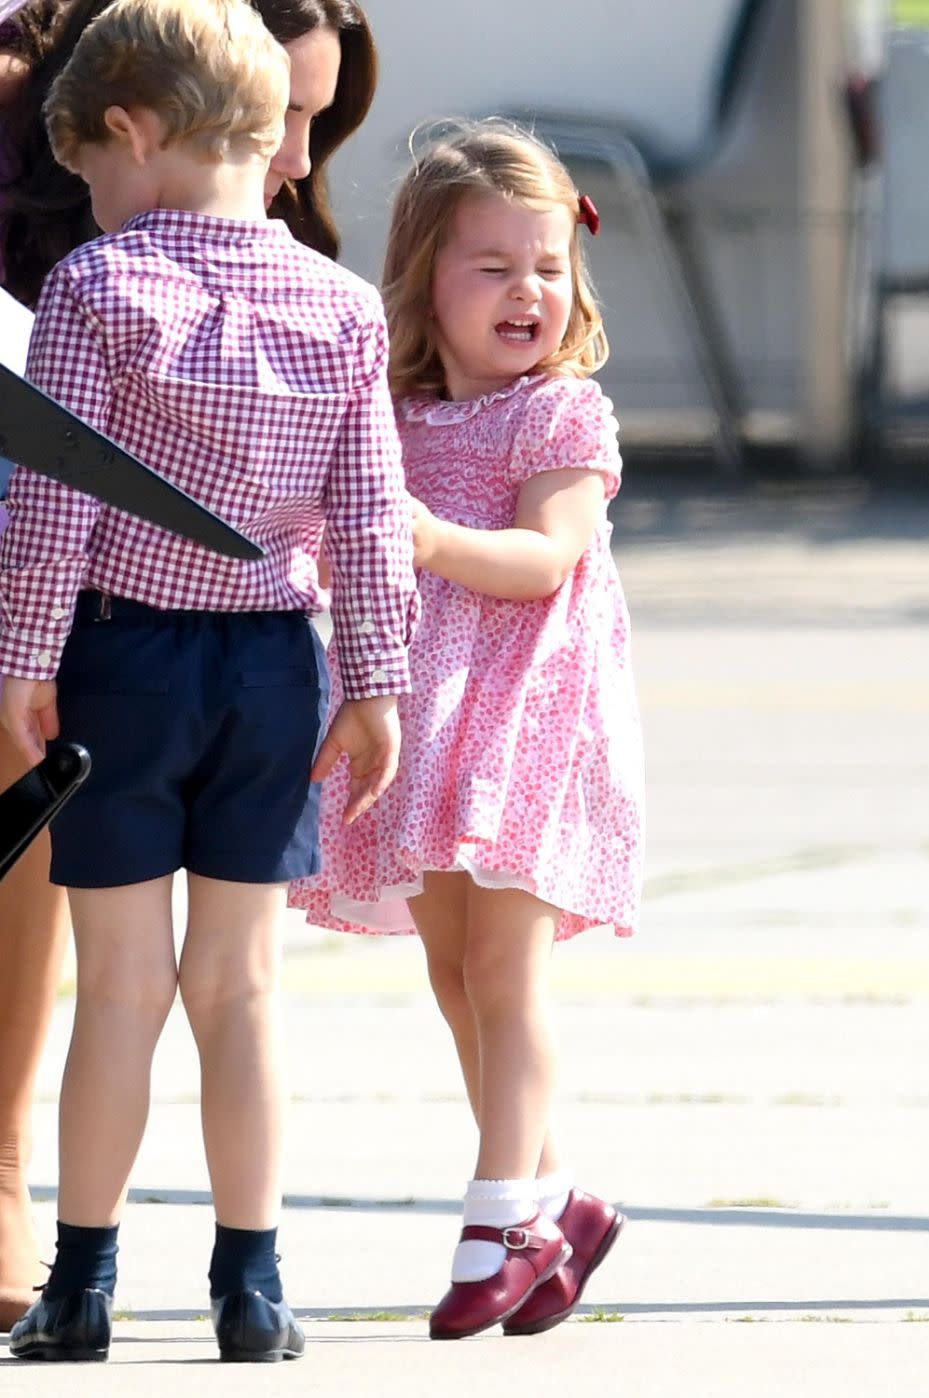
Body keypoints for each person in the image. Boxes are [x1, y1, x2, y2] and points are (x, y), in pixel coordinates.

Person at [0, 0, 416, 1363]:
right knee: (241, 986)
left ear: (132, 128)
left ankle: (83, 1282)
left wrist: (17, 665)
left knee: (118, 985)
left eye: (95, 175)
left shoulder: (93, 290)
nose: (98, 204)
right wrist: (378, 682)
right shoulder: (343, 304)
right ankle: (253, 1287)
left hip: (123, 663)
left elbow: (52, 512)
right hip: (276, 672)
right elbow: (367, 514)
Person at [289, 120, 644, 1339]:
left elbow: (547, 559)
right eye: (491, 267)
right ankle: (561, 1199)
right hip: (423, 723)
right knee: (456, 977)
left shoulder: (560, 418)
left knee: (508, 969)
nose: (526, 293)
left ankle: (501, 1217)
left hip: (530, 724)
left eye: (546, 268)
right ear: (424, 278)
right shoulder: (389, 412)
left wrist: (419, 533)